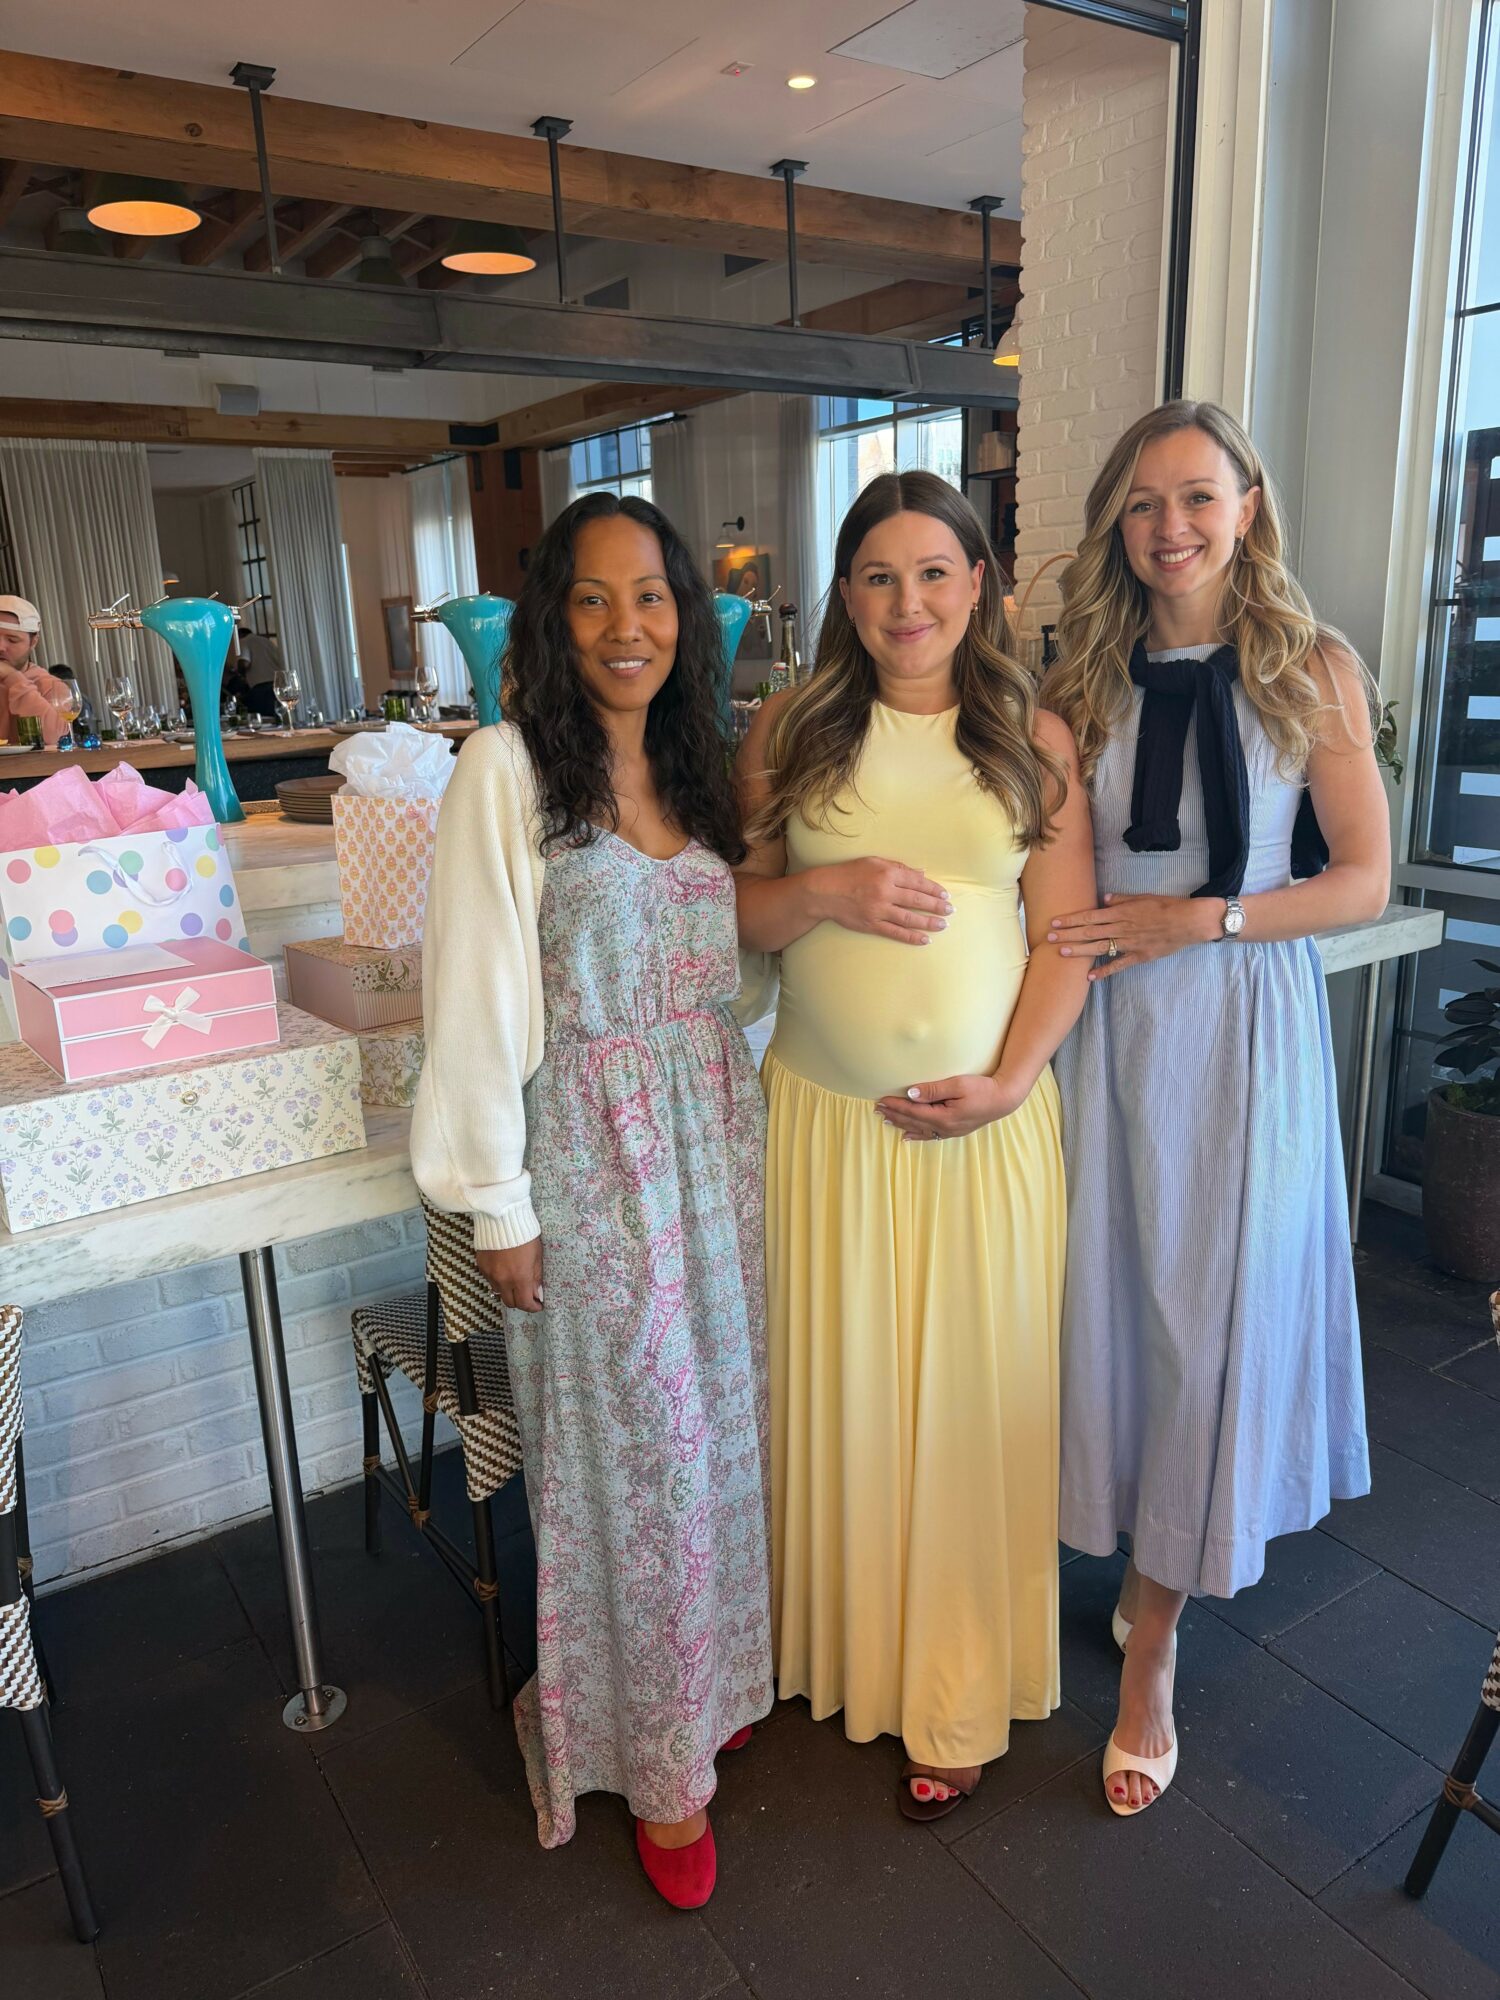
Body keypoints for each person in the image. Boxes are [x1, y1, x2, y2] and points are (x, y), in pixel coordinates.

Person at [411, 491, 772, 1906]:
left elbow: (740, 970)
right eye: (595, 600)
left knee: (721, 1445)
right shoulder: (505, 770)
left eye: (655, 597)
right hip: (592, 1161)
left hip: (710, 1149)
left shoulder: (705, 762)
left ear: (689, 615)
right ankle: (653, 1772)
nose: (631, 628)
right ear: (552, 622)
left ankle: (707, 1692)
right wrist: (499, 1204)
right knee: (637, 1466)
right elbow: (477, 998)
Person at [1042, 399, 1389, 1816]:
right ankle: (1131, 1563)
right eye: (1142, 504)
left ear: (1249, 504)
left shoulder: (1313, 667)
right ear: (1116, 529)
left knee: (1206, 1333)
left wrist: (1210, 921)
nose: (1169, 525)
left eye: (1197, 496)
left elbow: (1363, 879)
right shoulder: (1080, 678)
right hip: (1102, 1032)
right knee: (1102, 1316)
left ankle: (1153, 1661)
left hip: (1238, 1028)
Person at [735, 470, 1096, 1819]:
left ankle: (950, 1679)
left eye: (936, 571)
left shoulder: (1030, 734)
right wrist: (820, 888)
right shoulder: (788, 728)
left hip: (981, 1134)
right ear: (844, 595)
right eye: (879, 575)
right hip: (820, 1129)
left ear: (979, 586)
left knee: (961, 1405)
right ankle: (827, 1649)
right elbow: (740, 916)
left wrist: (1010, 1081)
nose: (909, 601)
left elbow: (1066, 936)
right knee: (835, 1389)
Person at [0, 597, 74, 747]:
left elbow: (53, 739)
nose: (1, 647)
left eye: (12, 640)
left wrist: (13, 678)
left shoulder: (52, 686)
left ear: (33, 642)